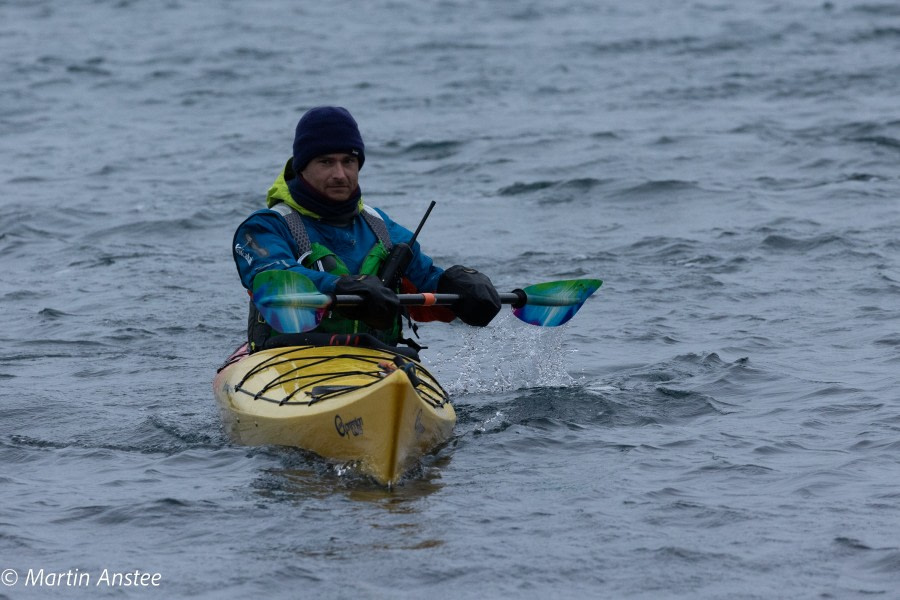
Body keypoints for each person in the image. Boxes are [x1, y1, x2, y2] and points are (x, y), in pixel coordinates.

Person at [232, 106, 501, 353]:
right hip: (288, 355)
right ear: (302, 167)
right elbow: (272, 281)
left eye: (348, 161)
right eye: (326, 162)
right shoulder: (265, 226)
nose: (340, 174)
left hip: (374, 360)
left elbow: (426, 283)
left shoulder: (381, 227)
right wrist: (340, 286)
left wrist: (459, 286)